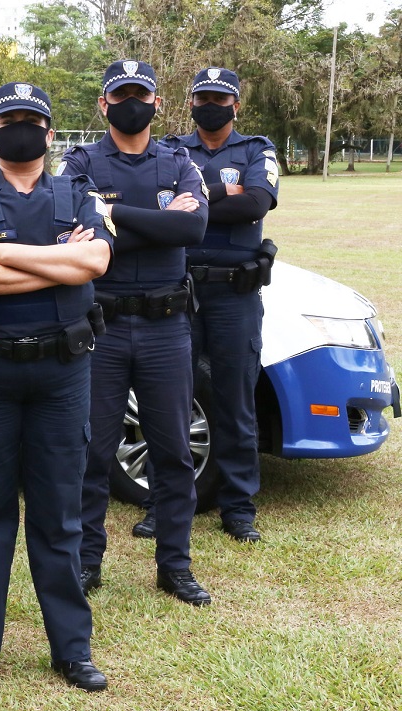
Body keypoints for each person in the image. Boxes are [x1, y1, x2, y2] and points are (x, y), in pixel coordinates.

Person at [0, 83, 113, 693]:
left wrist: (5, 253)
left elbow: (95, 266)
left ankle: (72, 649)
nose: (20, 129)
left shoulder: (77, 192)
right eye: (8, 121)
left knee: (59, 514)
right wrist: (54, 264)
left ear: (49, 132)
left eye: (32, 120)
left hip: (63, 374)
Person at [59, 60, 213, 606]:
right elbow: (78, 237)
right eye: (121, 95)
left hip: (168, 328)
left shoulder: (178, 160)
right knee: (92, 451)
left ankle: (175, 565)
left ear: (156, 103)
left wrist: (116, 215)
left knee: (172, 451)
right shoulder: (79, 163)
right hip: (101, 326)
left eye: (140, 94)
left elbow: (193, 228)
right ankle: (86, 562)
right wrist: (156, 217)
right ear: (104, 105)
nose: (132, 103)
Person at [146, 67, 278, 544]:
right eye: (203, 97)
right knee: (170, 405)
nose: (211, 104)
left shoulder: (257, 149)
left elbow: (256, 203)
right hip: (179, 294)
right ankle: (163, 504)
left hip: (234, 296)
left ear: (236, 104)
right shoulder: (173, 149)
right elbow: (160, 202)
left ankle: (238, 506)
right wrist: (227, 190)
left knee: (235, 401)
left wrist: (196, 197)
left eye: (221, 98)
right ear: (191, 102)